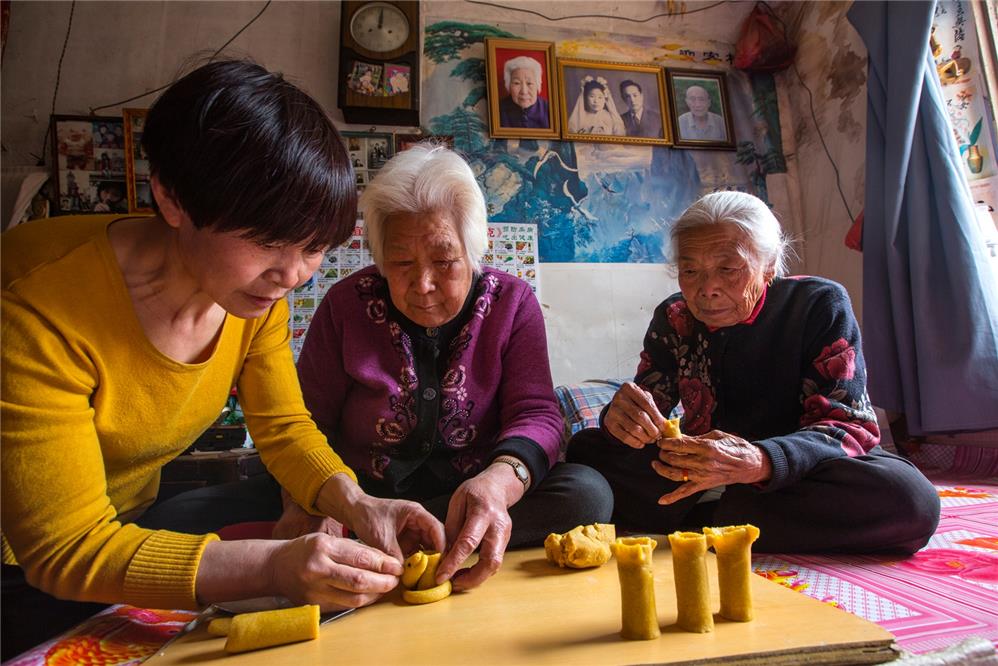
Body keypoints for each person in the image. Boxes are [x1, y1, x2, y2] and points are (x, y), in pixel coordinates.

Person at [1, 59, 444, 660]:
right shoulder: (36, 302)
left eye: (313, 248)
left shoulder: (254, 296)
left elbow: (284, 428)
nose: (292, 275)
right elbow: (65, 548)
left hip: (130, 521)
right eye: (266, 241)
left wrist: (359, 504)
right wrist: (276, 567)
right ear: (173, 197)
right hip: (21, 565)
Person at [290, 143, 614, 591]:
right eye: (401, 263)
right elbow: (305, 421)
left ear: (473, 249)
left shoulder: (512, 304)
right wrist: (321, 502)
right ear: (381, 259)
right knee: (187, 511)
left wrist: (500, 484)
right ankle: (404, 538)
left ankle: (407, 543)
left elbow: (537, 413)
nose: (423, 285)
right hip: (361, 501)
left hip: (469, 497)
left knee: (586, 493)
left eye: (443, 261)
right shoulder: (346, 305)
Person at [567, 191, 940, 554]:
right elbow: (651, 408)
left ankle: (707, 517)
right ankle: (729, 518)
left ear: (769, 266)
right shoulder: (674, 317)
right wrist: (623, 420)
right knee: (587, 449)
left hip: (795, 473)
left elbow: (845, 427)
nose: (706, 289)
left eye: (728, 269)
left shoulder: (818, 304)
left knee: (911, 499)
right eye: (690, 270)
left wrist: (759, 462)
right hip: (703, 469)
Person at [498, 55, 549, 129]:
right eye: (517, 83)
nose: (524, 91)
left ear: (538, 85)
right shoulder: (498, 109)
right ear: (508, 85)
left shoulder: (549, 109)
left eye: (529, 83)